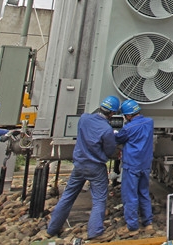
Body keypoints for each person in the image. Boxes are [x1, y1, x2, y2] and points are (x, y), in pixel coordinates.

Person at [45, 96, 120, 241]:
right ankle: (95, 232)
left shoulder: (84, 118)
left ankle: (52, 228)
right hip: (96, 167)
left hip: (79, 165)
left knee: (68, 196)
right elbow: (110, 150)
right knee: (99, 199)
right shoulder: (106, 130)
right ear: (111, 114)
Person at [114, 99, 154, 237]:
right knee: (143, 192)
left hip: (132, 165)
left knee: (130, 195)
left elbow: (118, 139)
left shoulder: (128, 128)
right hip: (145, 164)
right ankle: (148, 223)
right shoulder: (149, 122)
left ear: (128, 116)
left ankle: (132, 226)